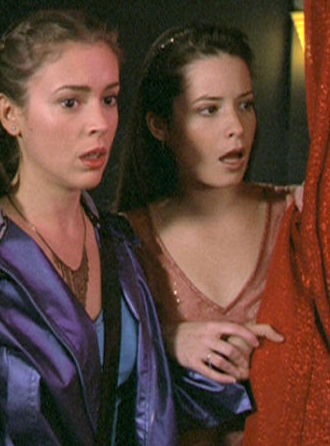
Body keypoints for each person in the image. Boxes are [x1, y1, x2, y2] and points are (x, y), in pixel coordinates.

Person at [0, 9, 185, 445]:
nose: (100, 123)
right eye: (71, 102)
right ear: (10, 114)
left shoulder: (117, 246)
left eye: (109, 99)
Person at [116, 24, 291, 444]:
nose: (236, 127)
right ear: (159, 125)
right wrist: (165, 339)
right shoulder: (125, 238)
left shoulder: (296, 217)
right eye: (209, 110)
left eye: (245, 105)